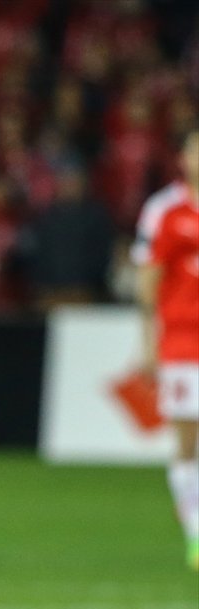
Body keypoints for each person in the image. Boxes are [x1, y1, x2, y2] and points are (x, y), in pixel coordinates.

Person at [132, 127, 199, 571]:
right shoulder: (164, 210)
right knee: (188, 442)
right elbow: (147, 280)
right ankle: (196, 534)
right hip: (183, 341)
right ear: (184, 156)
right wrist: (148, 341)